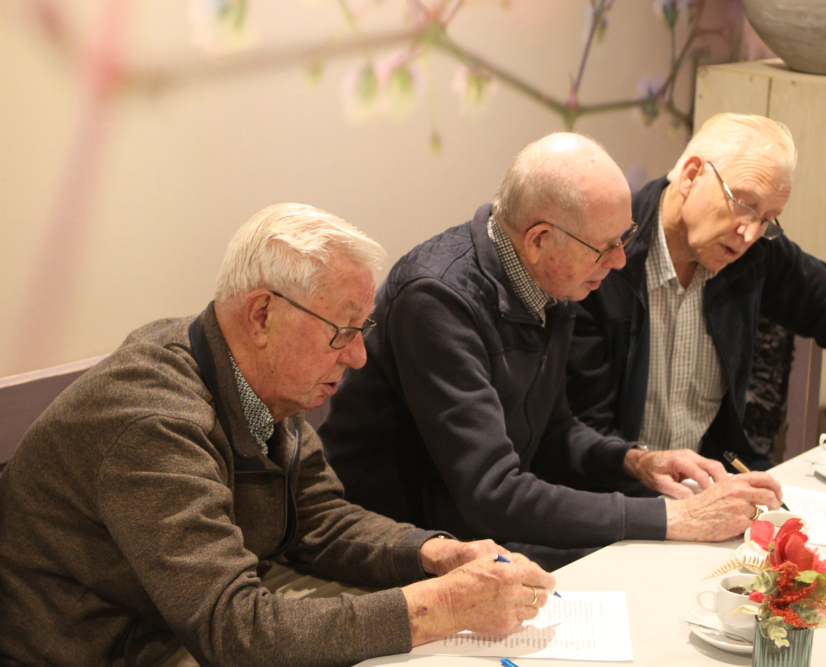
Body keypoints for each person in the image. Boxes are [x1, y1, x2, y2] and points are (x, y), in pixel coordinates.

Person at [0, 203, 555, 667]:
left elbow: (318, 518)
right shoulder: (153, 424)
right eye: (342, 332)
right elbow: (236, 632)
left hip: (176, 625)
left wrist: (437, 554)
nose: (358, 356)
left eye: (361, 330)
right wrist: (444, 607)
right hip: (102, 650)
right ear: (263, 315)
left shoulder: (254, 376)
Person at [320, 133, 783, 571]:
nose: (620, 260)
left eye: (624, 239)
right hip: (397, 541)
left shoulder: (552, 280)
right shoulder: (438, 300)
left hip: (474, 527)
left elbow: (554, 433)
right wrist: (673, 517)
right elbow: (492, 493)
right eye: (605, 247)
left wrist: (637, 461)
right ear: (540, 240)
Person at [566, 114, 826, 470]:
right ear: (691, 175)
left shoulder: (753, 255)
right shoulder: (606, 259)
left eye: (767, 219)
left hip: (718, 473)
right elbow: (586, 434)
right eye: (744, 204)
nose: (750, 233)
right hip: (620, 484)